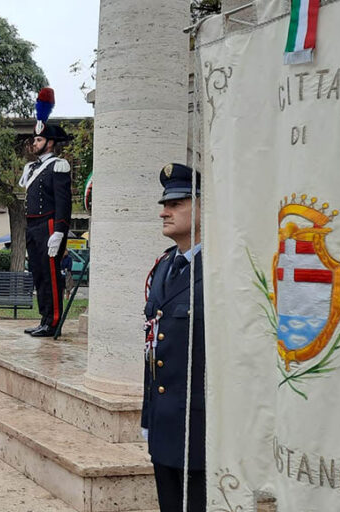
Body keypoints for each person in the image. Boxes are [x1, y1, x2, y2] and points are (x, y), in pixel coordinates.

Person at [141, 163, 205, 512]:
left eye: (177, 203)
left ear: (202, 207)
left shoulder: (218, 269)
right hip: (165, 426)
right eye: (165, 203)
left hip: (200, 428)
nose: (165, 211)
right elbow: (152, 347)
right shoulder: (165, 266)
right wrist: (148, 417)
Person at [20, 87, 73, 337]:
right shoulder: (32, 167)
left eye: (39, 140)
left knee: (52, 275)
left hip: (50, 225)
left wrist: (60, 232)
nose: (35, 143)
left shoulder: (58, 166)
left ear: (50, 143)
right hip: (33, 226)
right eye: (34, 140)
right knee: (39, 274)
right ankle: (44, 318)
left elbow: (64, 202)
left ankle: (52, 322)